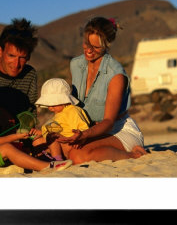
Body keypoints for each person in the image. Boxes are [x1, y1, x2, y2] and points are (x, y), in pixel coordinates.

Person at [56, 17, 147, 164]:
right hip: (88, 128)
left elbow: (109, 122)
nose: (89, 51)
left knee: (77, 156)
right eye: (87, 44)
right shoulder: (76, 64)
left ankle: (134, 155)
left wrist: (85, 134)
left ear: (107, 45)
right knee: (54, 144)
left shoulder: (115, 74)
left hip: (118, 129)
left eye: (96, 47)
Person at [33, 78, 92, 161]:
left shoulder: (73, 111)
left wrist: (80, 139)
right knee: (37, 141)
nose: (50, 108)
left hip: (69, 143)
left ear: (64, 100)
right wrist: (41, 132)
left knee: (52, 136)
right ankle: (44, 158)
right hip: (57, 145)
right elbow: (57, 128)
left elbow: (84, 128)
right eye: (48, 105)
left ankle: (57, 160)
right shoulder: (58, 114)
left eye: (53, 105)